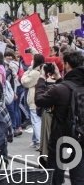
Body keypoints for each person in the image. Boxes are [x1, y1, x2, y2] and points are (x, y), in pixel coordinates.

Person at [35, 50, 84, 184]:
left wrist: (41, 79)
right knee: (78, 177)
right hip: (80, 137)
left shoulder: (60, 89)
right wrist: (59, 78)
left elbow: (39, 100)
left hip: (60, 139)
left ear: (67, 65)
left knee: (56, 178)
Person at [21, 52, 44, 151]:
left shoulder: (34, 72)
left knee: (35, 121)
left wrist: (27, 72)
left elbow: (25, 82)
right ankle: (35, 140)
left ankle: (39, 142)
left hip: (34, 98)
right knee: (37, 120)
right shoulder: (42, 71)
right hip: (40, 97)